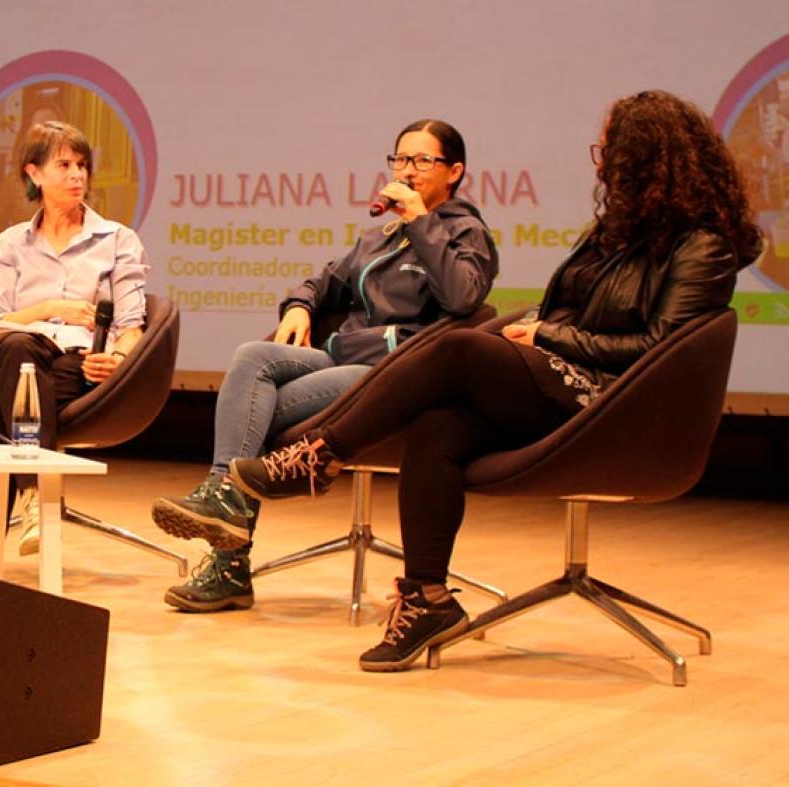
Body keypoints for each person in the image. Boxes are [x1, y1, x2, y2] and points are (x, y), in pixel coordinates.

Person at [228, 91, 763, 671]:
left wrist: (550, 339)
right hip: (560, 379)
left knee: (457, 345)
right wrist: (539, 328)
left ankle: (319, 455)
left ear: (647, 157)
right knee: (438, 426)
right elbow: (574, 310)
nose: (601, 163)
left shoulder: (703, 245)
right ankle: (426, 598)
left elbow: (660, 349)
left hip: (612, 400)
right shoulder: (617, 230)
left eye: (609, 151)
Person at [150, 120, 498, 612]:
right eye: (400, 160)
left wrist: (423, 223)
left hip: (395, 377)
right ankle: (223, 493)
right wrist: (298, 305)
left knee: (257, 413)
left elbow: (464, 297)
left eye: (423, 161)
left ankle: (229, 560)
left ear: (454, 172)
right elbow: (322, 280)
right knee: (253, 357)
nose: (408, 171)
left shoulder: (467, 233)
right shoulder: (379, 236)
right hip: (336, 357)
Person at [0, 120, 148, 577]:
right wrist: (51, 307)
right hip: (21, 356)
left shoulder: (116, 240)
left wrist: (122, 359)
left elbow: (131, 324)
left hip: (82, 365)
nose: (77, 176)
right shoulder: (11, 243)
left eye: (83, 166)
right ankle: (34, 497)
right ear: (34, 173)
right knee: (14, 355)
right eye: (64, 165)